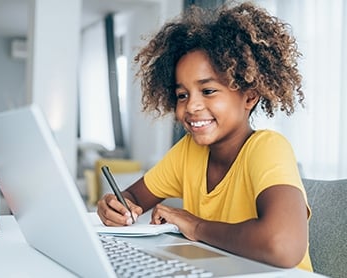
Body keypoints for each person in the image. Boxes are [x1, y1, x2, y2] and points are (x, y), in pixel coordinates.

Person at [96, 1, 313, 272]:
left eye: (208, 91)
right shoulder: (188, 151)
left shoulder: (268, 148)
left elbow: (282, 245)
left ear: (249, 96)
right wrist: (116, 205)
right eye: (182, 95)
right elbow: (134, 198)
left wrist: (195, 225)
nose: (191, 106)